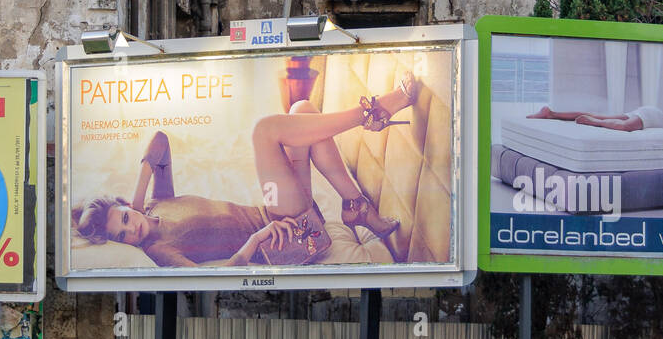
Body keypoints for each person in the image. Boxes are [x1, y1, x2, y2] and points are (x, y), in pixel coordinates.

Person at [75, 73, 419, 266]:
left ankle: (356, 207)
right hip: (288, 241)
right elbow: (214, 278)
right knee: (264, 132)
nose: (129, 231)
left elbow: (160, 142)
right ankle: (373, 112)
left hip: (285, 215)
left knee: (302, 108)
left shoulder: (156, 204)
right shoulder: (159, 250)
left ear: (125, 206)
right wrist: (254, 241)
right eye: (121, 235)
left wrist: (136, 200)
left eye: (123, 219)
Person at [527, 104, 663, 134]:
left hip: (651, 112)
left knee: (603, 114)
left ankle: (551, 113)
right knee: (626, 127)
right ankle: (593, 122)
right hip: (653, 118)